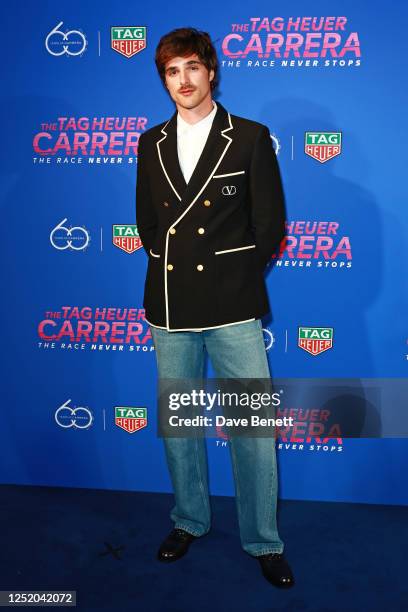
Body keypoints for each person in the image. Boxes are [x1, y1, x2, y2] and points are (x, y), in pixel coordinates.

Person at [136, 27, 294, 588]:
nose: (183, 81)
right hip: (171, 307)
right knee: (180, 428)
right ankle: (189, 520)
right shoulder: (150, 142)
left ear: (211, 72)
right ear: (165, 80)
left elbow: (269, 223)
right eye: (172, 72)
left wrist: (232, 276)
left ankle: (263, 540)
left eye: (192, 69)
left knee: (251, 428)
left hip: (232, 307)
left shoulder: (248, 137)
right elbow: (149, 226)